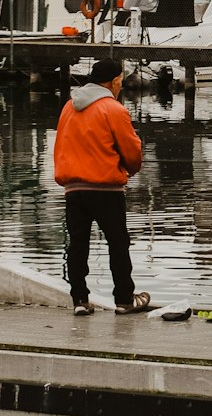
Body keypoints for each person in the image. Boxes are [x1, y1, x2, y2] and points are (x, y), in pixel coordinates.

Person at [54, 58, 150, 317]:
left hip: (74, 188)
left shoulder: (68, 108)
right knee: (118, 243)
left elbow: (61, 146)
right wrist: (130, 168)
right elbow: (132, 154)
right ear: (115, 80)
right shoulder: (113, 109)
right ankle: (124, 299)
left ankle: (80, 300)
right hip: (106, 188)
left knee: (78, 245)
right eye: (121, 81)